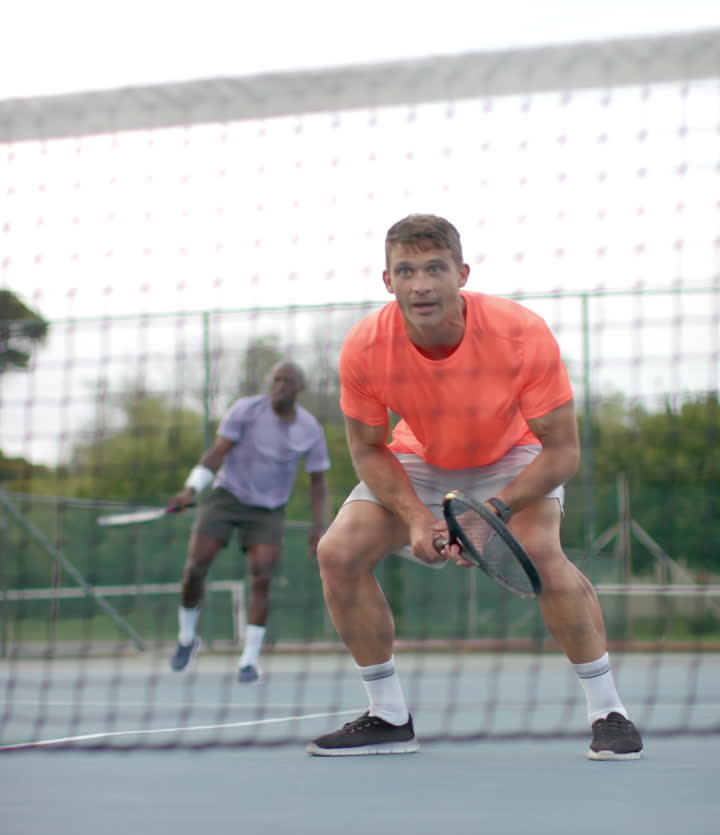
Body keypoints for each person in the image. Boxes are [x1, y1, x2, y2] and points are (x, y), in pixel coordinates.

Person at [307, 214, 643, 759]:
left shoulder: (519, 332)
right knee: (337, 552)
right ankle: (388, 716)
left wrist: (491, 513)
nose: (421, 285)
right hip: (419, 457)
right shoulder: (365, 346)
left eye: (435, 268)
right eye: (406, 271)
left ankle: (609, 711)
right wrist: (416, 516)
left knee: (541, 553)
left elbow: (562, 449)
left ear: (461, 274)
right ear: (387, 281)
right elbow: (367, 448)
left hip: (513, 454)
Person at [168, 361, 330, 681]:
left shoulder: (310, 429)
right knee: (196, 565)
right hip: (227, 497)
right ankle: (187, 638)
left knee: (262, 577)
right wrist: (190, 490)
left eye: (288, 381)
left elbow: (317, 483)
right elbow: (216, 453)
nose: (281, 385)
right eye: (277, 379)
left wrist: (318, 526)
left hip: (268, 511)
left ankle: (249, 660)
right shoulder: (246, 410)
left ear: (300, 388)